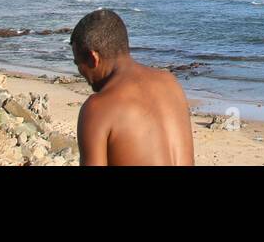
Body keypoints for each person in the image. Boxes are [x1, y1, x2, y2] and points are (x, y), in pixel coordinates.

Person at [69, 9, 193, 166]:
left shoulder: (98, 108)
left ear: (94, 58)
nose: (80, 72)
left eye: (77, 63)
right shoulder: (171, 83)